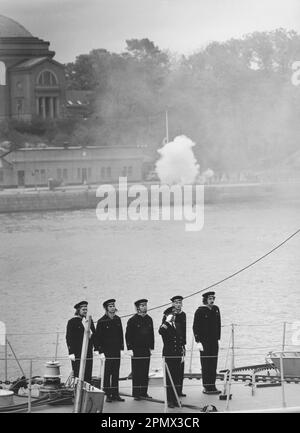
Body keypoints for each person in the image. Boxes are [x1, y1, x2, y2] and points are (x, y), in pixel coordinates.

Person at [94, 299, 125, 403]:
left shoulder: (117, 319)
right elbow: (97, 337)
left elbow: (121, 335)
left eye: (113, 306)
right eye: (110, 306)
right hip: (107, 351)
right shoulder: (101, 321)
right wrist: (100, 351)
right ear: (106, 308)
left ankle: (115, 394)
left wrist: (122, 349)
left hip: (116, 351)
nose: (112, 307)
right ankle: (108, 394)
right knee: (107, 373)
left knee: (116, 373)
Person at [192, 291, 221, 394]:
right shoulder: (200, 311)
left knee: (213, 363)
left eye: (213, 298)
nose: (212, 300)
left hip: (214, 341)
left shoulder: (216, 309)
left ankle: (212, 385)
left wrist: (218, 338)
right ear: (205, 300)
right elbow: (195, 327)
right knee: (205, 364)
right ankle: (206, 386)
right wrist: (198, 341)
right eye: (210, 298)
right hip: (204, 342)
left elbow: (218, 324)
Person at [125, 298, 154, 400]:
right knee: (137, 371)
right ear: (137, 307)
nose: (144, 307)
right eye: (142, 305)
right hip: (136, 349)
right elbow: (128, 335)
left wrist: (151, 347)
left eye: (145, 305)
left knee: (145, 371)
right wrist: (129, 348)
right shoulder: (132, 320)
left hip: (146, 349)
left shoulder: (149, 319)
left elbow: (151, 334)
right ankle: (136, 393)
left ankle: (144, 392)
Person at [159, 307, 185, 408]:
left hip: (177, 355)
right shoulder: (164, 326)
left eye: (174, 314)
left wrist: (182, 353)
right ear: (167, 315)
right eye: (171, 314)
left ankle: (175, 399)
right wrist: (166, 321)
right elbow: (160, 332)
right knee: (169, 378)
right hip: (169, 355)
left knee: (176, 377)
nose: (174, 316)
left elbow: (180, 340)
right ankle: (169, 400)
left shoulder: (178, 325)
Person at [66, 300, 96, 384]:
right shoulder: (72, 322)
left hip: (88, 351)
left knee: (88, 373)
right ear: (78, 310)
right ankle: (77, 392)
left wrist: (96, 348)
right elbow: (69, 337)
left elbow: (94, 335)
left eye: (86, 309)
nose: (85, 311)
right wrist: (71, 352)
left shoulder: (89, 321)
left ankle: (86, 393)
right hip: (77, 352)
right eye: (83, 309)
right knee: (78, 373)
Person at [170, 295, 186, 397]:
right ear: (172, 304)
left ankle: (179, 390)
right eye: (176, 302)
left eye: (180, 302)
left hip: (181, 345)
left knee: (180, 370)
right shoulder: (169, 315)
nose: (178, 305)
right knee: (173, 372)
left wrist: (184, 344)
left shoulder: (183, 315)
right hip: (172, 346)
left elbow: (184, 330)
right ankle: (173, 393)